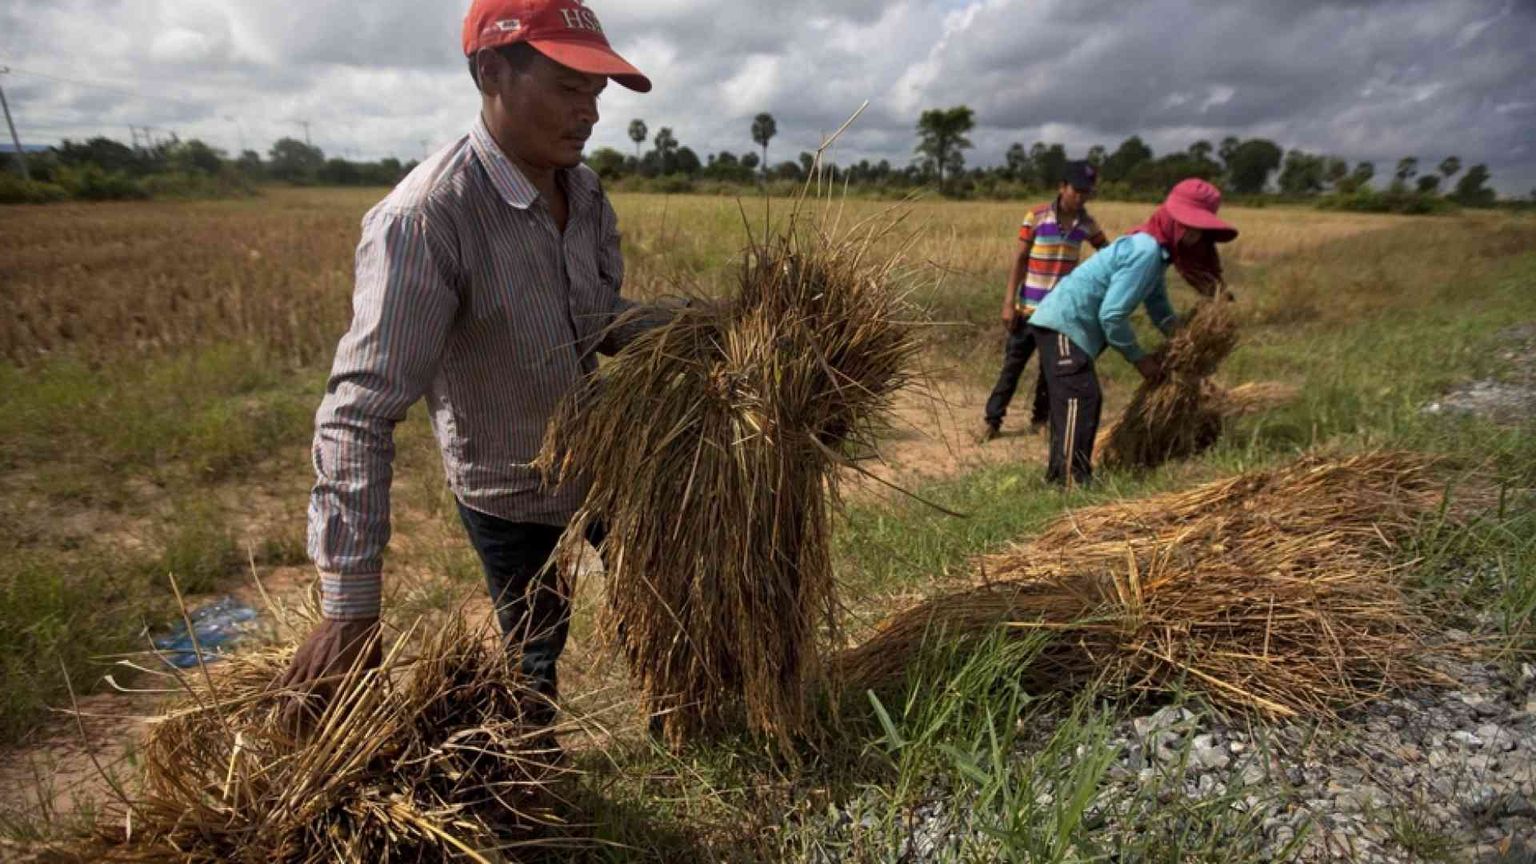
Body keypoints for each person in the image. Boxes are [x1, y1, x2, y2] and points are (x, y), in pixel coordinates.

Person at [276, 0, 656, 736]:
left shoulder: (584, 190)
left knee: (662, 606)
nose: (590, 115)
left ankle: (683, 734)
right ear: (491, 72)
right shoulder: (425, 218)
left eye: (596, 96)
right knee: (532, 655)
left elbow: (597, 318)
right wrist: (350, 606)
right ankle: (533, 792)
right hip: (508, 486)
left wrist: (692, 326)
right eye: (569, 89)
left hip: (608, 461)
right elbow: (360, 409)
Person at [1026, 178, 1238, 487]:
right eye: (1189, 227)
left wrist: (1184, 339)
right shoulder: (1146, 251)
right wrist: (1140, 360)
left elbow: (1158, 306)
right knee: (1079, 398)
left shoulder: (1155, 251)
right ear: (1173, 221)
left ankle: (1062, 477)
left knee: (1079, 400)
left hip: (1066, 326)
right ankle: (1070, 481)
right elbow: (1111, 316)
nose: (1194, 237)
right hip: (1063, 324)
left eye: (1199, 231)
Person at [980, 161, 1109, 443]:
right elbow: (1020, 259)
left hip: (1060, 315)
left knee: (1050, 371)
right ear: (1062, 187)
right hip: (1028, 310)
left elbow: (1106, 253)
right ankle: (992, 420)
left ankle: (1040, 420)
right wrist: (1008, 302)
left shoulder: (1086, 224)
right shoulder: (1036, 216)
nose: (1081, 197)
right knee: (1011, 368)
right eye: (1077, 190)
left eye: (1087, 192)